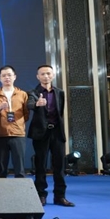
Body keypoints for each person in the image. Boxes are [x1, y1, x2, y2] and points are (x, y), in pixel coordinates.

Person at [27, 65, 75, 207]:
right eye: (42, 74)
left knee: (59, 166)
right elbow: (30, 105)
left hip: (57, 132)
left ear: (53, 75)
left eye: (48, 73)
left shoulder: (60, 92)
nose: (46, 76)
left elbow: (60, 113)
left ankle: (60, 196)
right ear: (38, 76)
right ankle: (41, 195)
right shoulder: (33, 92)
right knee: (40, 165)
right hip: (41, 133)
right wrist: (37, 104)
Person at [0, 65, 29, 178]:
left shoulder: (22, 94)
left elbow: (26, 114)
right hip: (1, 134)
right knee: (1, 168)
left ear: (14, 77)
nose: (7, 78)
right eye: (4, 76)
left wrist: (18, 123)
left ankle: (20, 188)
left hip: (18, 134)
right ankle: (1, 189)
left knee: (19, 168)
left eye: (9, 75)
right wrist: (1, 107)